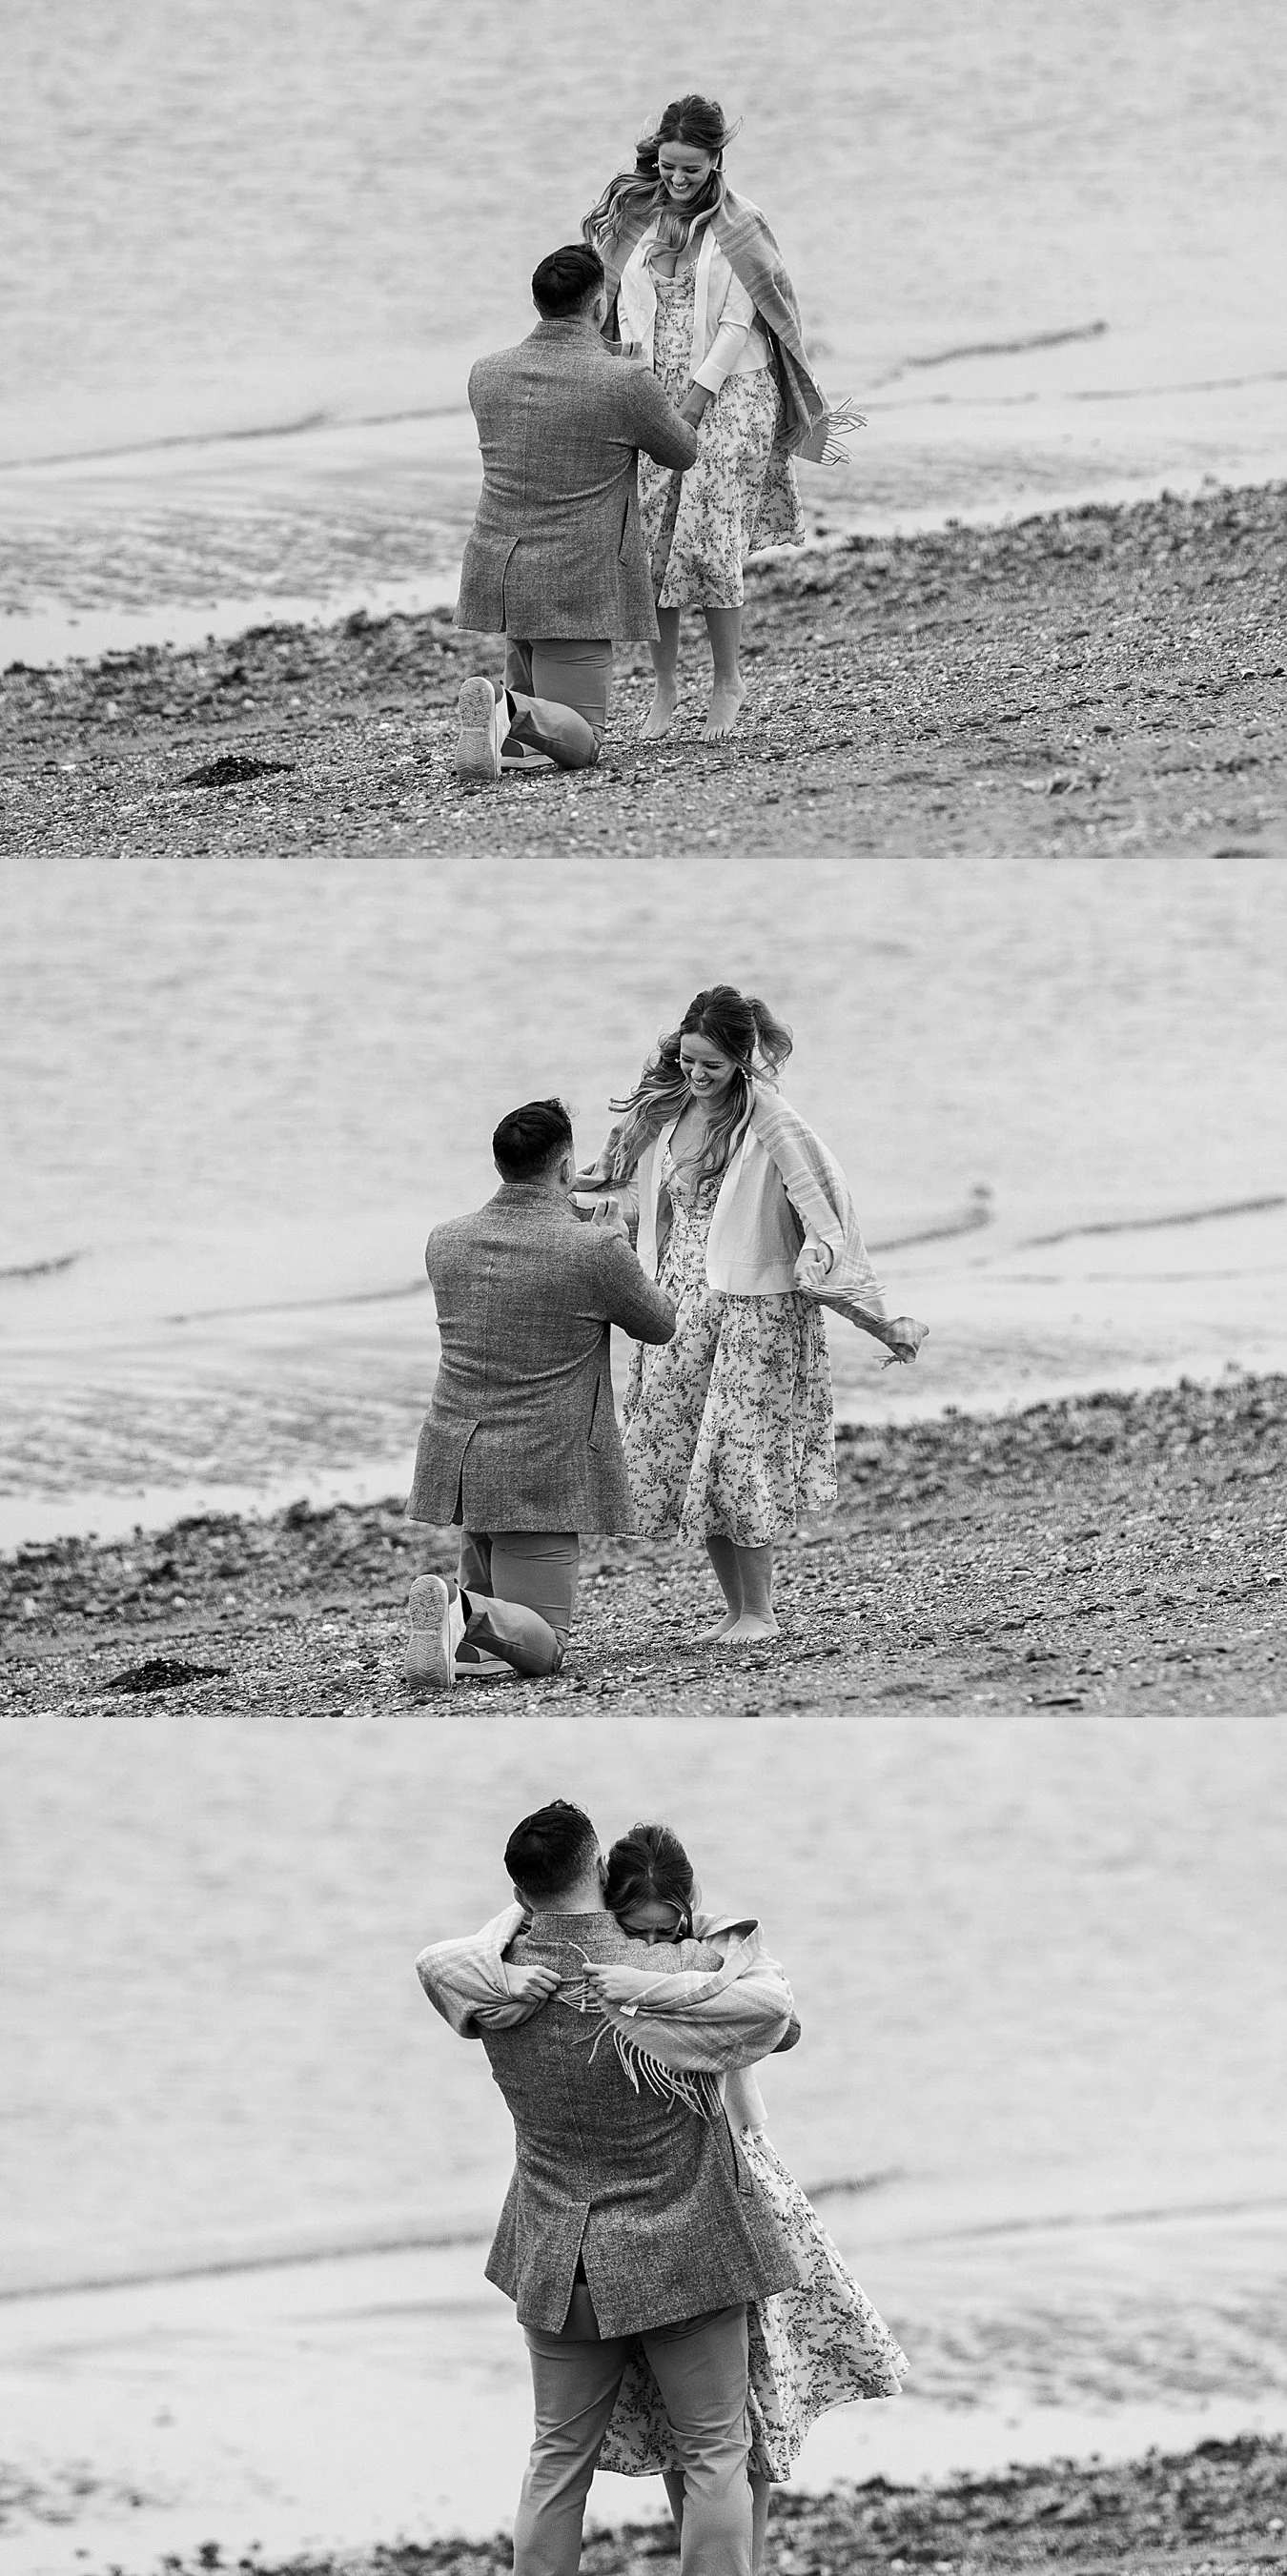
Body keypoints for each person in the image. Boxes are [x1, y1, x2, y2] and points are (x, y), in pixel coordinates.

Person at [415, 1800, 805, 2576]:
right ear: (599, 1870)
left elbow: (434, 1960)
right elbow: (776, 2020)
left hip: (561, 2261)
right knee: (715, 2453)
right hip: (687, 2253)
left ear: (523, 1891)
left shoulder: (497, 1975)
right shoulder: (663, 1964)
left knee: (557, 2460)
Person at [573, 986, 927, 1645]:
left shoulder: (769, 1118)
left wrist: (872, 1313)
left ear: (741, 1057)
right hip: (677, 1304)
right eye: (687, 1059)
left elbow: (824, 1204)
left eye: (710, 1063)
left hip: (753, 1308)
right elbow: (609, 1175)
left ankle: (761, 1613)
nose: (696, 1074)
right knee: (688, 1454)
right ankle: (735, 1611)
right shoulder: (665, 1103)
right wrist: (542, 1197)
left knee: (738, 1454)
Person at [582, 95, 862, 742]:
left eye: (691, 170)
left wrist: (697, 398)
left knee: (707, 534)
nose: (677, 180)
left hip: (732, 389)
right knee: (653, 541)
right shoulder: (634, 217)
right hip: (650, 386)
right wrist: (631, 389)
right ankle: (664, 688)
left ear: (716, 163)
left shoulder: (742, 223)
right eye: (668, 167)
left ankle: (728, 680)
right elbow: (614, 309)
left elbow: (743, 322)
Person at [403, 1098, 675, 1686]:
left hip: (461, 1458)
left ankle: (463, 1624)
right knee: (545, 1647)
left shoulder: (445, 1241)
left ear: (500, 1165)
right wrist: (622, 1247)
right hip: (539, 1470)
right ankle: (462, 1609)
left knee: (489, 1653)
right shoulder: (593, 1250)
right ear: (564, 1167)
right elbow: (660, 1324)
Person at [453, 243, 699, 786]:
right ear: (600, 301)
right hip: (575, 583)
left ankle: (507, 719)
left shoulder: (487, 374)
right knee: (584, 742)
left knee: (535, 748)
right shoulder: (625, 381)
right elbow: (682, 452)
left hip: (502, 571)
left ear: (538, 303)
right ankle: (503, 706)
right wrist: (650, 381)